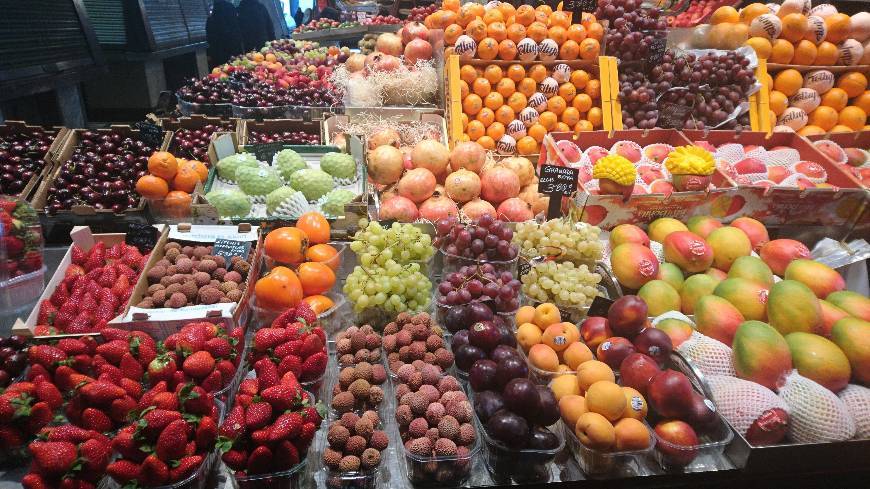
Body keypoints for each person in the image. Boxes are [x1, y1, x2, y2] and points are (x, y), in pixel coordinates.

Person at [206, 0, 244, 67]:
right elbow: (238, 37)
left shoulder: (210, 21)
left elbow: (210, 41)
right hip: (235, 56)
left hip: (219, 59)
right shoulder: (233, 22)